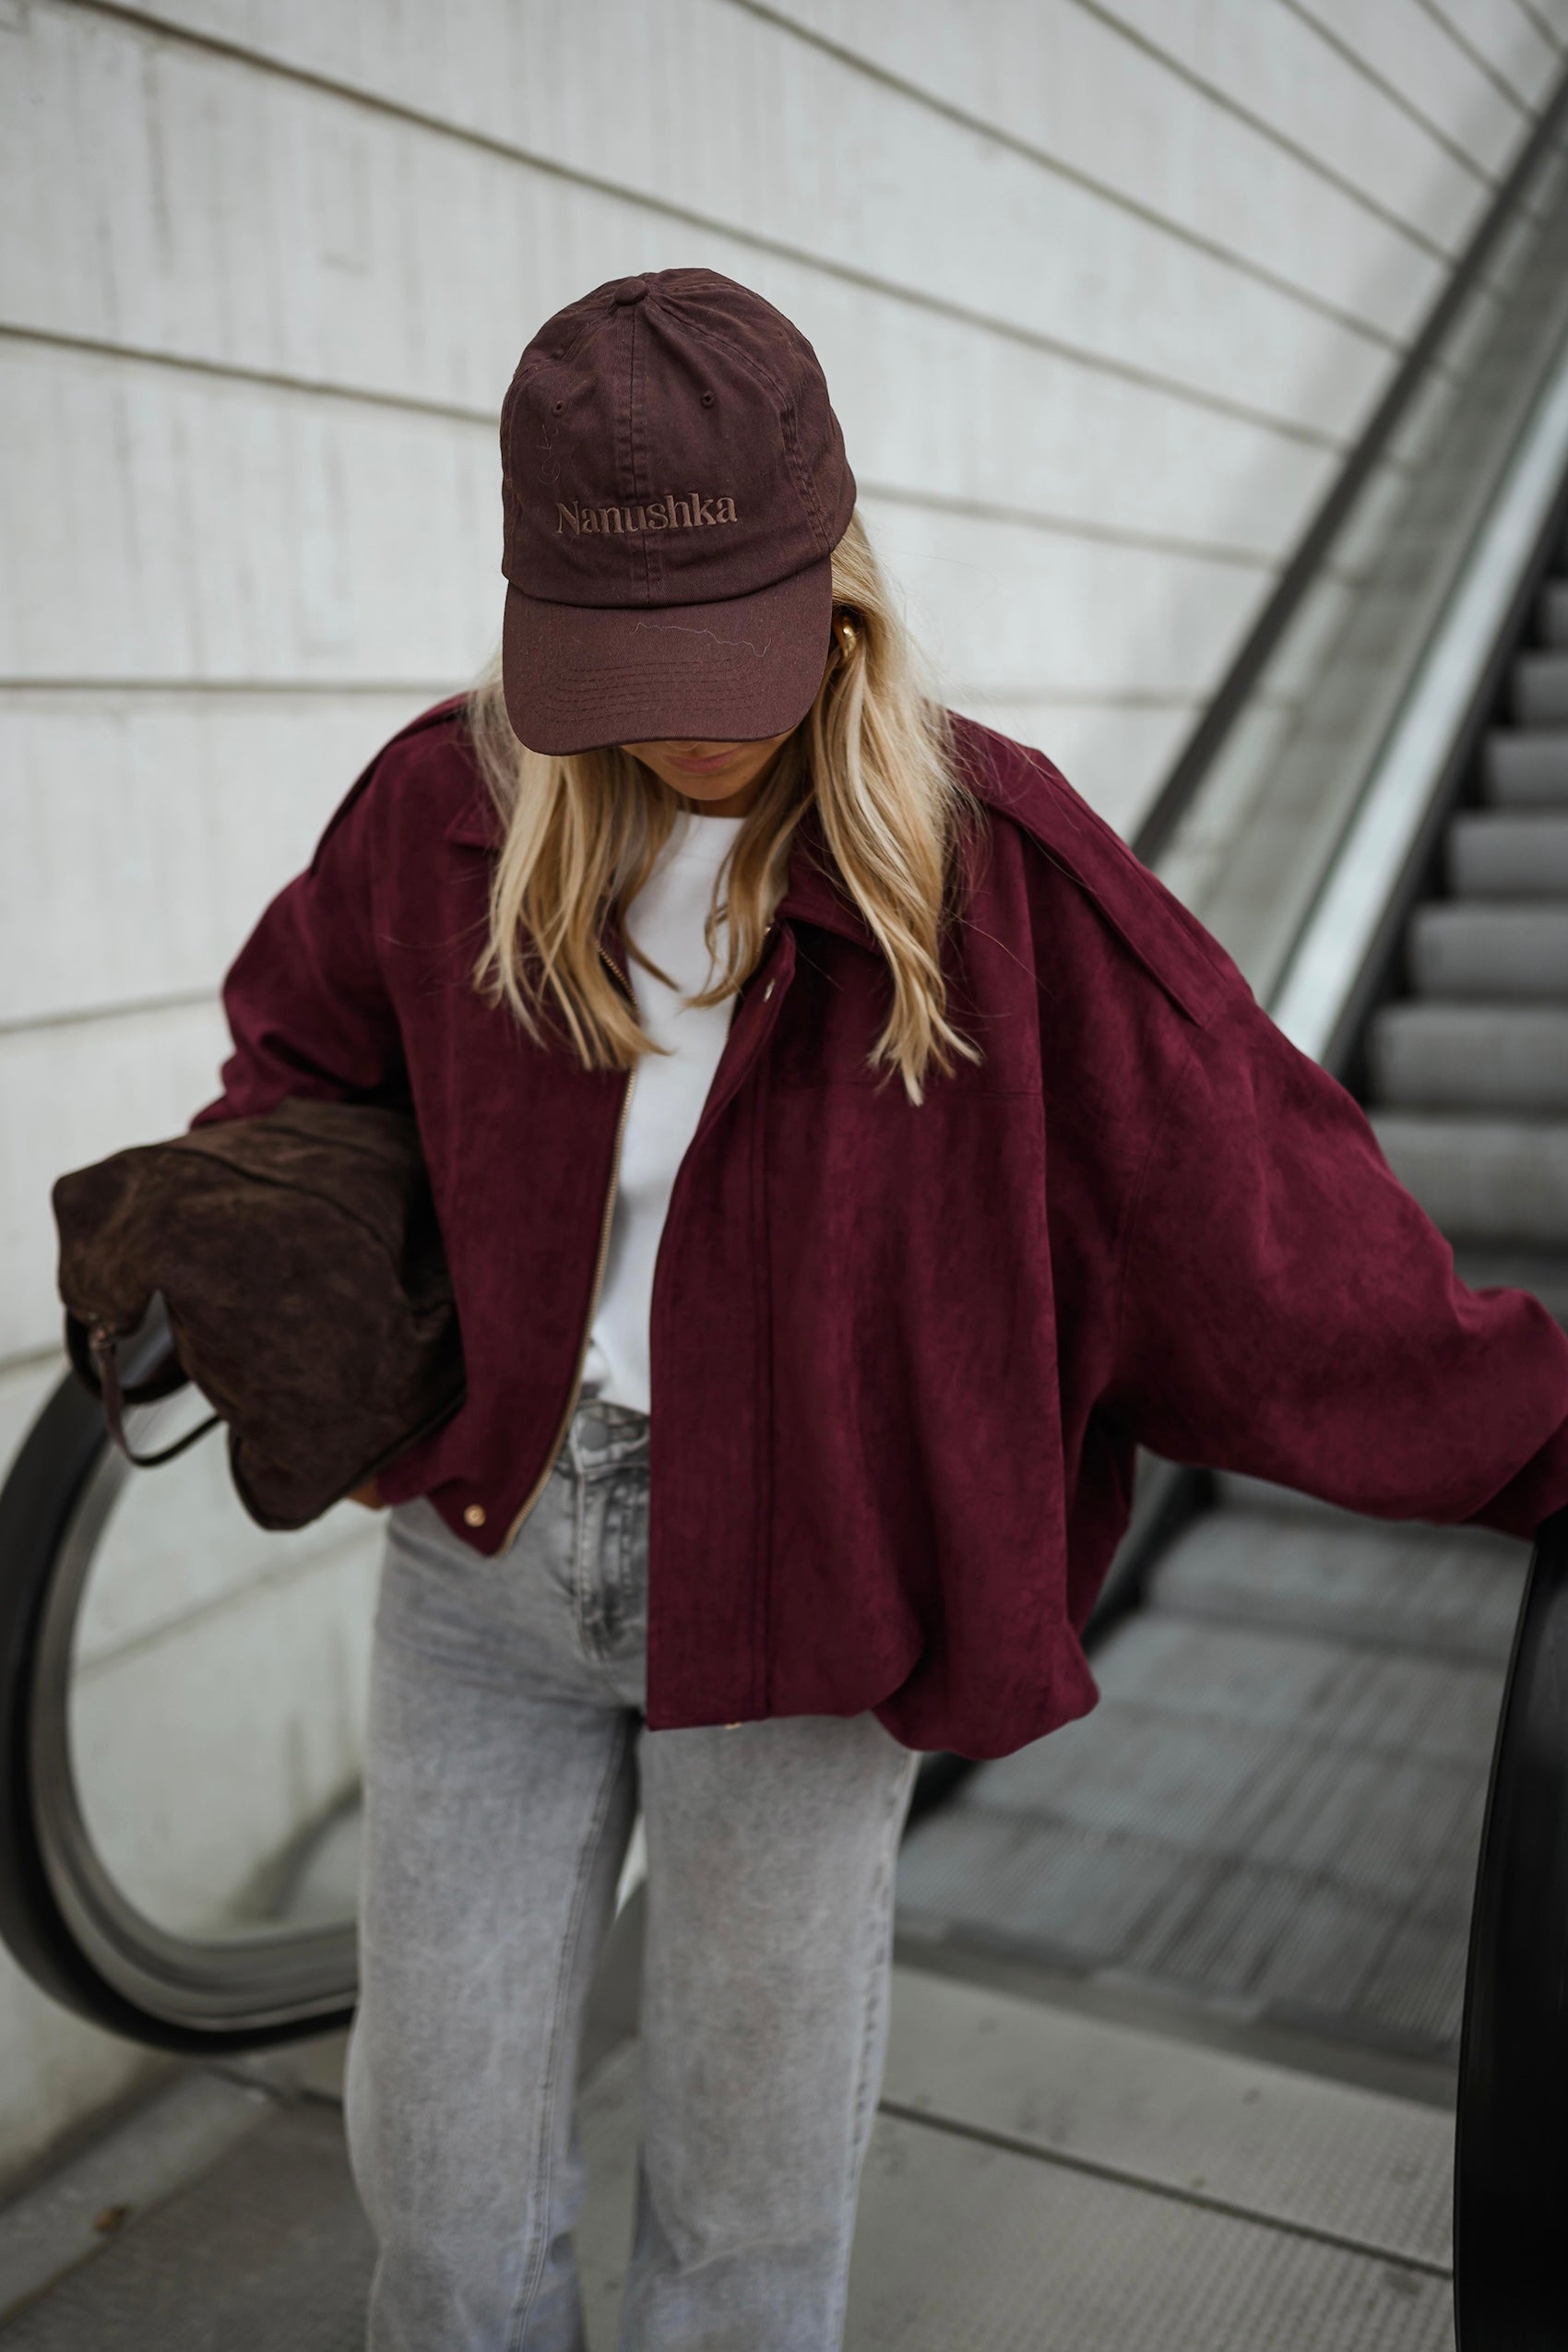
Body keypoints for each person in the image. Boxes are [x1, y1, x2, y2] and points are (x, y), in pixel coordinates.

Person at [196, 267, 1568, 2351]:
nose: (679, 714)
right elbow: (299, 1051)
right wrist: (265, 1245)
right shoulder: (443, 808)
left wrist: (1536, 1435)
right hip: (477, 1561)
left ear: (837, 572)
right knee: (445, 2202)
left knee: (746, 2224)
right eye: (619, 660)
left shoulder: (997, 871)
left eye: (725, 642)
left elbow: (1268, 1238)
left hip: (806, 1590)